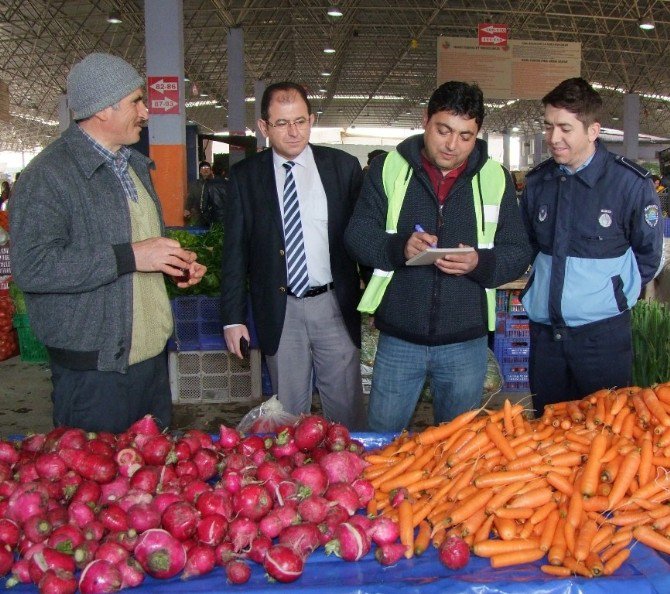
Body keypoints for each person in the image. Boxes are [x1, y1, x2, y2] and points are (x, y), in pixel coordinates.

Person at [9, 52, 207, 433]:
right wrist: (132, 255)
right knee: (99, 487)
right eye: (136, 101)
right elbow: (34, 268)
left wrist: (173, 264)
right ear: (103, 109)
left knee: (155, 482)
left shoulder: (134, 167)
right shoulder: (48, 176)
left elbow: (143, 245)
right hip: (95, 372)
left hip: (149, 361)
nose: (146, 112)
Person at [345, 80, 532, 433]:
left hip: (466, 343)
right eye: (444, 130)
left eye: (466, 135)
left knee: (456, 448)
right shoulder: (389, 169)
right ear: (425, 119)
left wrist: (481, 263)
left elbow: (518, 249)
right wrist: (399, 247)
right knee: (384, 440)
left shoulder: (495, 178)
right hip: (400, 338)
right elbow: (357, 235)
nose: (452, 145)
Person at [220, 81, 366, 430]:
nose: (293, 132)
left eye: (301, 121)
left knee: (346, 409)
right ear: (263, 127)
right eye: (282, 123)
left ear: (312, 119)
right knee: (287, 411)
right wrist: (232, 317)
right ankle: (292, 479)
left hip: (333, 304)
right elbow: (234, 251)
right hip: (279, 309)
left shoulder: (343, 168)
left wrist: (378, 294)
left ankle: (348, 474)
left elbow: (363, 236)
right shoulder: (245, 177)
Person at [519, 77, 663, 415]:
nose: (554, 138)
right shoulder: (539, 182)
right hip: (546, 338)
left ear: (593, 130)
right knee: (548, 435)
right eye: (548, 126)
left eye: (565, 128)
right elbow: (525, 244)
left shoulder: (629, 184)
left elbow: (648, 255)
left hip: (603, 340)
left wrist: (608, 297)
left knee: (606, 431)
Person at [184, 160, 214, 226]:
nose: (205, 170)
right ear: (200, 171)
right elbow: (190, 198)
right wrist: (187, 209)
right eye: (203, 168)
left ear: (211, 171)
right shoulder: (195, 184)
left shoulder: (214, 184)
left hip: (212, 216)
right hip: (198, 216)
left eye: (207, 168)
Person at [200, 161, 228, 226]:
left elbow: (203, 207)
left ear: (212, 171)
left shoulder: (208, 185)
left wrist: (209, 221)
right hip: (229, 221)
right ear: (223, 172)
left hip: (214, 219)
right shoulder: (230, 184)